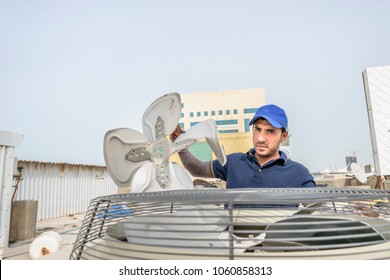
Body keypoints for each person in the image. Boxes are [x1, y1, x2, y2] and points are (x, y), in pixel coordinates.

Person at [170, 104, 316, 207]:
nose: (260, 138)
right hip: (234, 245)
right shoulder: (234, 162)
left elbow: (317, 209)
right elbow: (197, 169)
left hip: (276, 248)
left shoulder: (298, 173)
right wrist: (180, 145)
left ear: (283, 136)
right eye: (257, 129)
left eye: (270, 131)